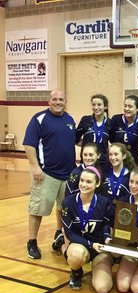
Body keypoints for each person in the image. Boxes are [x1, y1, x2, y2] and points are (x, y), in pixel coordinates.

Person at [23, 89, 76, 259]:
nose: (58, 102)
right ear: (49, 101)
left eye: (61, 99)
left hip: (67, 175)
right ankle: (32, 242)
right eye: (54, 99)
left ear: (65, 101)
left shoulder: (70, 119)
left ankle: (58, 234)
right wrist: (36, 167)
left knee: (63, 208)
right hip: (46, 174)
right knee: (38, 209)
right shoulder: (39, 119)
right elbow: (29, 144)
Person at [61, 166, 113, 293]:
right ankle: (76, 272)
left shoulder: (104, 202)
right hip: (80, 245)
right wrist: (91, 244)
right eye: (82, 180)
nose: (84, 184)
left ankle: (100, 268)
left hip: (99, 249)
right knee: (75, 255)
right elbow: (69, 233)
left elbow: (106, 224)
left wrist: (106, 237)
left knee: (102, 289)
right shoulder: (68, 202)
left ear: (97, 183)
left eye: (89, 182)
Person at [76, 94, 111, 174]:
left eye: (99, 105)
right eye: (93, 105)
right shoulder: (85, 120)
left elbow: (113, 142)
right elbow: (76, 139)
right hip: (87, 161)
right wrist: (86, 144)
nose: (96, 107)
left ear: (105, 106)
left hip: (103, 163)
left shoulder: (110, 123)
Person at [102, 143, 135, 225]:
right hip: (104, 215)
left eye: (116, 154)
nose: (113, 157)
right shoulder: (104, 173)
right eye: (110, 154)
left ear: (123, 156)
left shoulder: (131, 175)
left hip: (123, 217)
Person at [109, 95, 138, 165]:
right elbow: (111, 138)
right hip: (116, 159)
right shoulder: (116, 119)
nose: (127, 109)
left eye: (130, 106)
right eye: (125, 106)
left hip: (133, 160)